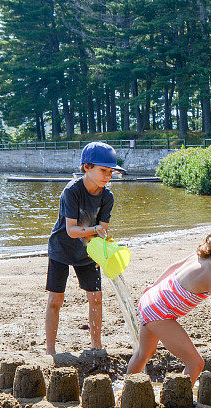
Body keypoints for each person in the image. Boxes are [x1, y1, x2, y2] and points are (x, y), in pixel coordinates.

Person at [126, 224, 211, 390]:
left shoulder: (203, 254)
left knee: (144, 353)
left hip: (151, 300)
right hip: (160, 313)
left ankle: (127, 391)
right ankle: (175, 400)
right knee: (195, 363)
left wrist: (153, 287)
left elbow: (174, 266)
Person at [44, 142, 125, 355]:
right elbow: (71, 230)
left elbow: (103, 229)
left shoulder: (107, 196)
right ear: (87, 167)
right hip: (61, 248)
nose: (107, 176)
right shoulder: (72, 191)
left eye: (110, 172)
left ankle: (96, 345)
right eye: (103, 170)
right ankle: (50, 350)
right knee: (55, 300)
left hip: (88, 250)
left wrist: (104, 243)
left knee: (96, 297)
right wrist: (96, 230)